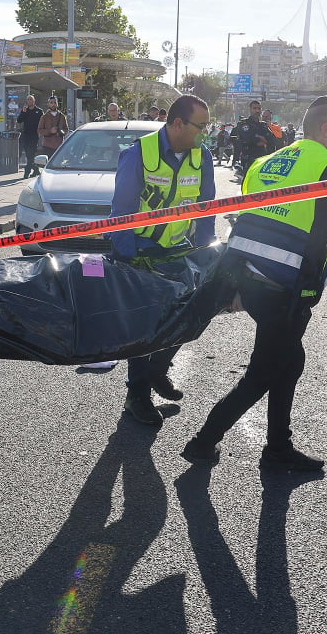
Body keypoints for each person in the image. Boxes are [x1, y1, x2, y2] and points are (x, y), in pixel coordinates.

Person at [182, 96, 327, 470]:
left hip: (248, 277)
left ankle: (277, 448)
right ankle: (205, 441)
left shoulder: (267, 162)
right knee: (266, 371)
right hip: (285, 288)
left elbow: (253, 220)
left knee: (288, 362)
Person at [108, 94, 217, 426]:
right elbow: (122, 212)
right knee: (144, 328)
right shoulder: (139, 154)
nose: (206, 133)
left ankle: (158, 370)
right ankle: (136, 395)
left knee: (190, 316)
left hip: (180, 251)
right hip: (140, 253)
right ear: (178, 123)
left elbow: (206, 208)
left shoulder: (203, 157)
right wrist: (127, 260)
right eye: (202, 126)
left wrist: (205, 255)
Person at [232, 100, 270, 175]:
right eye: (254, 108)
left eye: (259, 108)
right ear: (250, 109)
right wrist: (262, 139)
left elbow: (272, 140)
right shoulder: (243, 124)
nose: (257, 111)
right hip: (248, 160)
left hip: (262, 160)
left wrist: (260, 139)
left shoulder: (263, 125)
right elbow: (249, 139)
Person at [17, 95, 44, 178]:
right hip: (25, 136)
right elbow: (19, 120)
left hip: (34, 136)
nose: (29, 101)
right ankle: (36, 170)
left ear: (34, 101)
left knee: (31, 154)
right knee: (29, 156)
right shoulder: (25, 110)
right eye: (28, 99)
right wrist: (23, 112)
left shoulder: (39, 111)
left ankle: (27, 172)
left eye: (31, 99)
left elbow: (43, 122)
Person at [38, 96, 68, 163]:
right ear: (48, 104)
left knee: (59, 165)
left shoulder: (62, 116)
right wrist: (49, 131)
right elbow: (40, 130)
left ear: (57, 104)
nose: (53, 104)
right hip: (47, 146)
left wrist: (61, 132)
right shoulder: (44, 117)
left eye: (55, 102)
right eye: (51, 102)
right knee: (49, 165)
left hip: (59, 146)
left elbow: (66, 129)